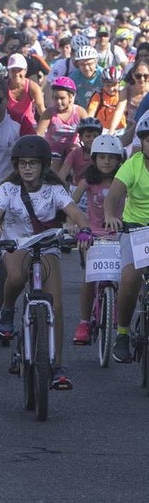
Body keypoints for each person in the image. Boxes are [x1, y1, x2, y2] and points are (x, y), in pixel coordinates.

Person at [0, 135, 91, 390]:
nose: (27, 168)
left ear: (44, 165)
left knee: (57, 305)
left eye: (33, 163)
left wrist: (84, 230)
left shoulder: (54, 189)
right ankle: (7, 310)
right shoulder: (8, 189)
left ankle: (58, 367)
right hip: (16, 244)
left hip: (47, 245)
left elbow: (75, 213)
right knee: (16, 277)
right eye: (22, 163)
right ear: (16, 165)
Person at [103, 113, 149, 363]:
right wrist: (110, 215)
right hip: (135, 229)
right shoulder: (133, 164)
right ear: (142, 142)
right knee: (130, 278)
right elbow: (113, 196)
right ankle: (122, 333)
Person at [69, 134, 123, 346]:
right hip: (92, 234)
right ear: (94, 159)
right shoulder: (87, 181)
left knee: (124, 275)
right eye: (101, 157)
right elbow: (70, 204)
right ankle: (84, 322)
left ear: (119, 160)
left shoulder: (124, 181)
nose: (106, 162)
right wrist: (72, 223)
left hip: (120, 234)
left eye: (111, 157)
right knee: (89, 278)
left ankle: (116, 307)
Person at [36, 76, 85, 177]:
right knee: (54, 166)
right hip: (53, 149)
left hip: (73, 148)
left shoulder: (80, 112)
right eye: (55, 98)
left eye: (62, 98)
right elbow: (39, 134)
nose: (58, 102)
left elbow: (87, 132)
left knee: (78, 160)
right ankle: (55, 181)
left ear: (71, 97)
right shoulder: (49, 113)